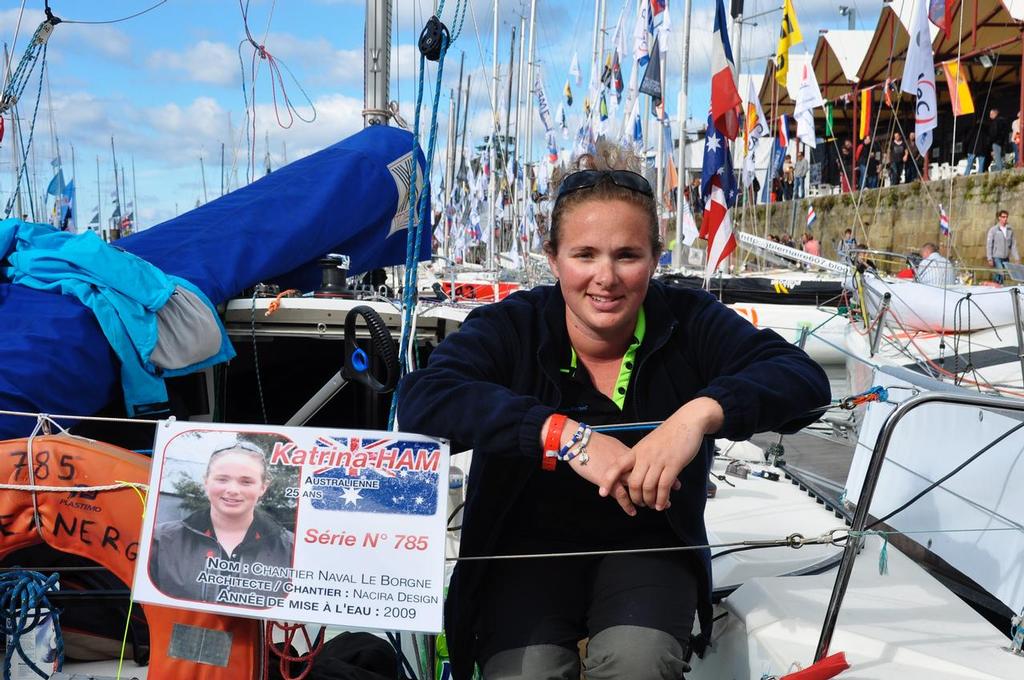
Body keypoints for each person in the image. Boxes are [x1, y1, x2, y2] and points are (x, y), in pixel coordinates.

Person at [396, 147, 830, 680]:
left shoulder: (692, 320)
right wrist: (561, 435)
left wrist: (696, 415)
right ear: (553, 259)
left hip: (649, 543)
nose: (606, 277)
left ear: (656, 258)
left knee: (638, 663)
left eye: (627, 255)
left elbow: (803, 380)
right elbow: (425, 399)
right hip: (522, 551)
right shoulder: (511, 325)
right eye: (584, 255)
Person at [149, 440, 294, 603]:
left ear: (263, 487)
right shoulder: (160, 540)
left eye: (246, 481)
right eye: (222, 479)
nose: (232, 490)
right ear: (206, 481)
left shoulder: (292, 549)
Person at [986, 209, 1020, 284]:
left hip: (1006, 257)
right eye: (1003, 217)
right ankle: (997, 288)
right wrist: (989, 258)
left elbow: (1013, 245)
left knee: (1002, 275)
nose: (1005, 219)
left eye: (1006, 217)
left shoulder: (1010, 230)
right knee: (1000, 273)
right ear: (999, 218)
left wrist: (1017, 258)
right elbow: (989, 245)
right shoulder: (993, 230)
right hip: (996, 257)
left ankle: (998, 288)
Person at [987, 108, 1009, 172]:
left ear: (995, 114)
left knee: (997, 157)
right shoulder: (1003, 121)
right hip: (1002, 142)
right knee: (1000, 157)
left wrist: (991, 141)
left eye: (991, 114)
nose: (990, 115)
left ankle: (1000, 171)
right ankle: (1002, 169)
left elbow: (994, 133)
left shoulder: (995, 121)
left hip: (996, 142)